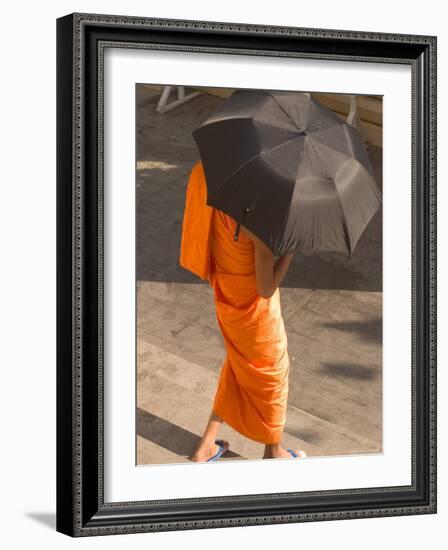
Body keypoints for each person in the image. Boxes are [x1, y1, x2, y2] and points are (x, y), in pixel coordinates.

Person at [179, 159, 307, 462]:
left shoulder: (211, 182)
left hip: (225, 297)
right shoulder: (256, 225)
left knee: (238, 368)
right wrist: (288, 252)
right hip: (255, 312)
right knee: (273, 374)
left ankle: (206, 446)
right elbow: (266, 288)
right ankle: (274, 452)